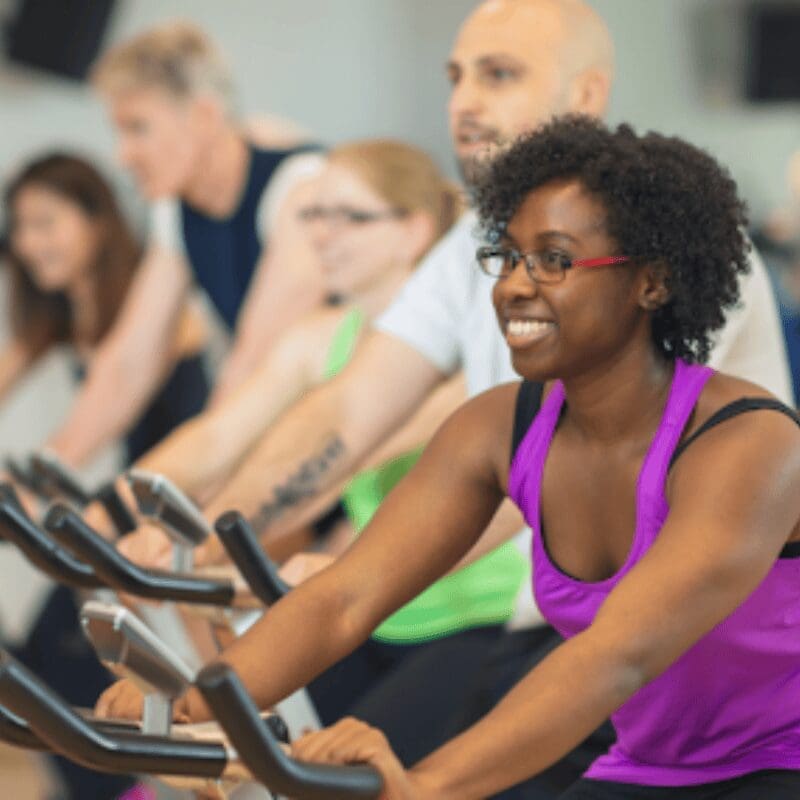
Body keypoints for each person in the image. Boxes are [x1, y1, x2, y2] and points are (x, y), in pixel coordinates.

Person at [115, 2, 793, 794]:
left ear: (652, 282)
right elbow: (346, 594)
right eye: (506, 258)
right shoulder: (500, 426)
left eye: (553, 261)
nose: (512, 286)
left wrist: (422, 786)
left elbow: (621, 652)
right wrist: (191, 701)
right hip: (645, 762)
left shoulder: (751, 444)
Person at [110, 140, 525, 763]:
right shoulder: (320, 337)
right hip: (378, 616)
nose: (321, 236)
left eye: (347, 217)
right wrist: (111, 509)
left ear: (412, 231)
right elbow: (221, 434)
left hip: (476, 616)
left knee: (303, 765)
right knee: (239, 747)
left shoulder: (465, 346)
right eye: (312, 215)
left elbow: (345, 460)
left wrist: (192, 547)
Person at [0, 152, 210, 800]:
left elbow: (151, 411)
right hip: (113, 522)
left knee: (57, 681)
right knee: (39, 678)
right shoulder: (63, 320)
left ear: (98, 221)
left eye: (46, 222)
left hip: (178, 518)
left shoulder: (158, 312)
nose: (29, 242)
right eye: (20, 227)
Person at [37, 20, 325, 468]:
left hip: (357, 451)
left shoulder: (299, 188)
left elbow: (253, 366)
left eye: (138, 128)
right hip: (289, 444)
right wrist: (48, 470)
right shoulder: (176, 207)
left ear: (205, 117)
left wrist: (164, 488)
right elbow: (128, 363)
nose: (122, 154)